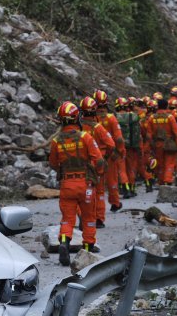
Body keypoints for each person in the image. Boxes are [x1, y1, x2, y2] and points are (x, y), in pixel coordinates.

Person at [49, 101, 105, 265]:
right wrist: (97, 174)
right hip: (85, 184)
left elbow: (53, 163)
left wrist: (62, 172)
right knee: (88, 218)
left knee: (67, 218)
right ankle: (87, 251)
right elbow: (99, 160)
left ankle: (64, 242)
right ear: (76, 118)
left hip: (67, 184)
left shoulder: (56, 141)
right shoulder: (85, 137)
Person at [79, 97, 116, 229]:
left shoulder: (78, 127)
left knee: (82, 192)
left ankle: (84, 217)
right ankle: (99, 219)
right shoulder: (98, 128)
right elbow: (111, 144)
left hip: (82, 164)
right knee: (99, 192)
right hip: (98, 163)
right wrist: (106, 156)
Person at [93, 90, 128, 209]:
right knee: (112, 179)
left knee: (97, 182)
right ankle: (115, 203)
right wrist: (120, 151)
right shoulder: (111, 118)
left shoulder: (91, 120)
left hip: (94, 155)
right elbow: (118, 138)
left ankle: (97, 206)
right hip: (109, 154)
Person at [146, 98, 177, 185]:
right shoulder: (170, 117)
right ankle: (168, 180)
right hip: (169, 143)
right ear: (166, 106)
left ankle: (161, 182)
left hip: (158, 144)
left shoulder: (152, 118)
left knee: (160, 164)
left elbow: (148, 135)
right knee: (169, 163)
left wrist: (150, 146)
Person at [116, 97, 142, 197]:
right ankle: (132, 188)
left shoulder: (114, 117)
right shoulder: (134, 116)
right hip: (132, 146)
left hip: (120, 147)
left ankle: (125, 188)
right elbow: (139, 132)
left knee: (122, 168)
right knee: (131, 168)